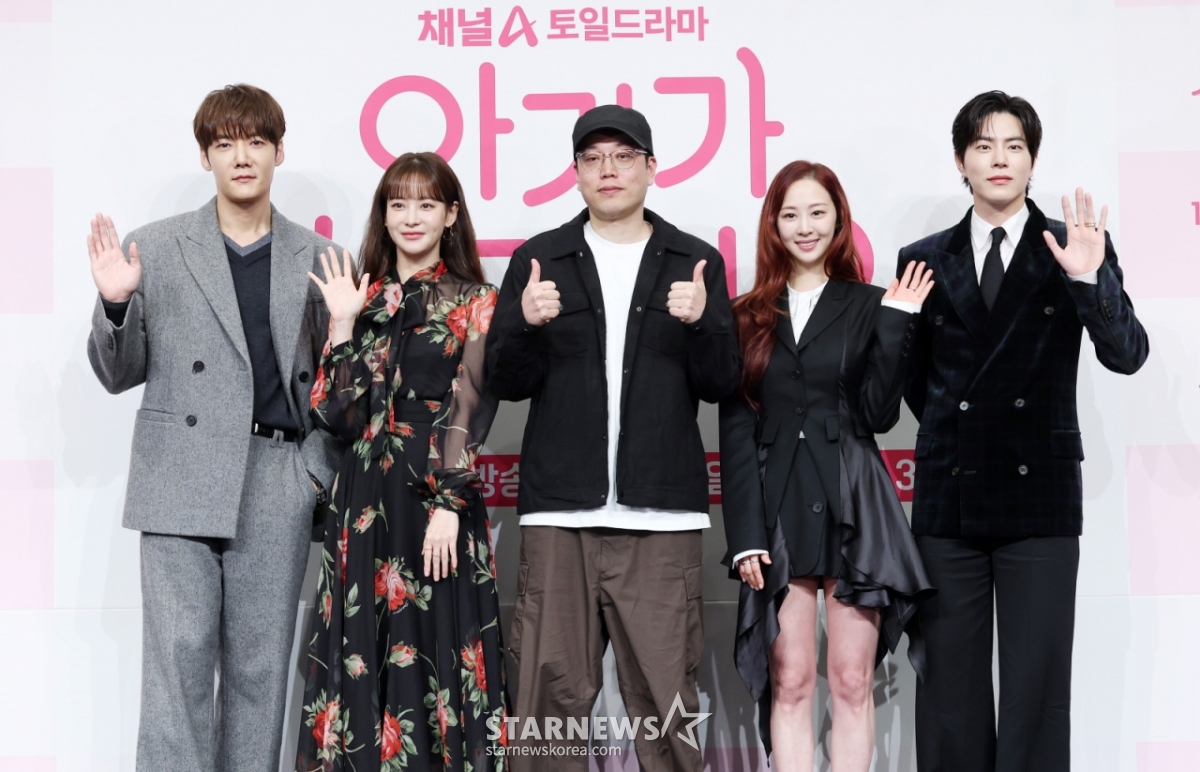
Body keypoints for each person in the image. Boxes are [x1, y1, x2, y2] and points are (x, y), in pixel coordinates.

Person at [86, 84, 341, 771]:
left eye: (255, 141)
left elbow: (333, 384)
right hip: (180, 473)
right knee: (178, 668)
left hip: (274, 476)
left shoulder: (318, 255)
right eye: (225, 143)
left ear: (278, 151)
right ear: (206, 157)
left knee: (261, 673)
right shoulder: (155, 248)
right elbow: (119, 374)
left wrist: (310, 473)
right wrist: (115, 308)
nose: (242, 156)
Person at [898, 91, 1149, 772]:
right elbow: (915, 383)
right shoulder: (923, 257)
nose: (999, 158)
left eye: (1013, 145)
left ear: (1033, 159)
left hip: (1039, 501)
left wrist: (1091, 279)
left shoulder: (1073, 245)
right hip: (948, 503)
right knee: (949, 688)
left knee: (1038, 691)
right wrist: (958, 437)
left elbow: (1128, 354)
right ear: (961, 161)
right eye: (983, 145)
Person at [485, 104, 740, 770]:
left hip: (662, 519)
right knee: (548, 712)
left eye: (624, 157)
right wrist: (522, 324)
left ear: (651, 168)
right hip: (558, 515)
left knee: (665, 706)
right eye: (594, 158)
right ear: (575, 173)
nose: (609, 170)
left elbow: (722, 384)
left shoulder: (694, 261)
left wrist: (705, 322)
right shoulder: (539, 260)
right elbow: (508, 382)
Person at [295, 152, 509, 772]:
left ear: (450, 215)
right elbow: (335, 415)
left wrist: (448, 503)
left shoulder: (476, 300)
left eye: (425, 204)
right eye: (398, 204)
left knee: (439, 647)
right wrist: (340, 325)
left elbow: (471, 404)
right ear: (382, 217)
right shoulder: (358, 298)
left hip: (435, 499)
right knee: (361, 650)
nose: (410, 217)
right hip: (362, 502)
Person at [719, 161, 936, 771]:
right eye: (790, 214)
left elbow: (878, 414)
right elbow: (736, 431)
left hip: (854, 500)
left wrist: (896, 324)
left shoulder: (872, 306)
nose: (805, 226)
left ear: (839, 218)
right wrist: (744, 539)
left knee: (850, 680)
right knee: (790, 679)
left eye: (817, 212)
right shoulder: (746, 314)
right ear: (773, 224)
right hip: (776, 504)